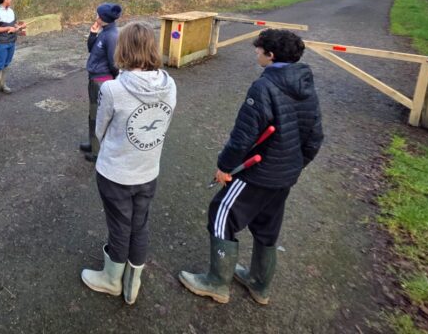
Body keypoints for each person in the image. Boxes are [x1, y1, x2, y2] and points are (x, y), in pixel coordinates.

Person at [178, 29, 324, 305]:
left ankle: (217, 282)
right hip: (284, 176)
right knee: (267, 226)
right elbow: (315, 136)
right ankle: (259, 284)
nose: (256, 53)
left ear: (271, 55)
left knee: (221, 214)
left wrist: (224, 167)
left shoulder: (264, 87)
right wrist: (294, 165)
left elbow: (243, 136)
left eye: (259, 50)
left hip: (257, 173)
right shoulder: (305, 84)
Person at [80, 22, 176, 305]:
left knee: (119, 225)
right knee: (140, 223)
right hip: (148, 169)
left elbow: (100, 131)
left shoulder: (112, 89)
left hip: (116, 172)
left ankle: (111, 280)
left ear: (122, 48)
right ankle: (132, 282)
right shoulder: (170, 84)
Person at [81, 3, 122, 162]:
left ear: (104, 18)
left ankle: (98, 151)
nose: (96, 17)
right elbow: (92, 49)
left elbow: (114, 63)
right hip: (94, 78)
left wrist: (113, 82)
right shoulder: (104, 31)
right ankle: (93, 144)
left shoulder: (112, 35)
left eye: (98, 15)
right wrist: (92, 34)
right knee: (92, 115)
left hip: (102, 82)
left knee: (98, 116)